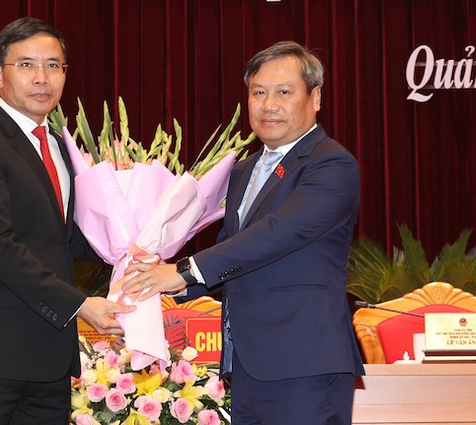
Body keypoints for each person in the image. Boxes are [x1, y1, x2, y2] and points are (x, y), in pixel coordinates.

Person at [123, 41, 365, 424]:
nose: (269, 105)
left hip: (303, 362)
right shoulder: (245, 169)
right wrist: (162, 279)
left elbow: (277, 234)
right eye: (258, 93)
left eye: (284, 92)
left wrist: (182, 270)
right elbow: (233, 252)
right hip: (248, 365)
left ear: (315, 97)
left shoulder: (330, 163)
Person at [0, 17, 134, 425]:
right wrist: (80, 305)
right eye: (26, 65)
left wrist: (131, 234)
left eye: (54, 65)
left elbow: (66, 239)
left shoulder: (62, 147)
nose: (42, 77)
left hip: (49, 359)